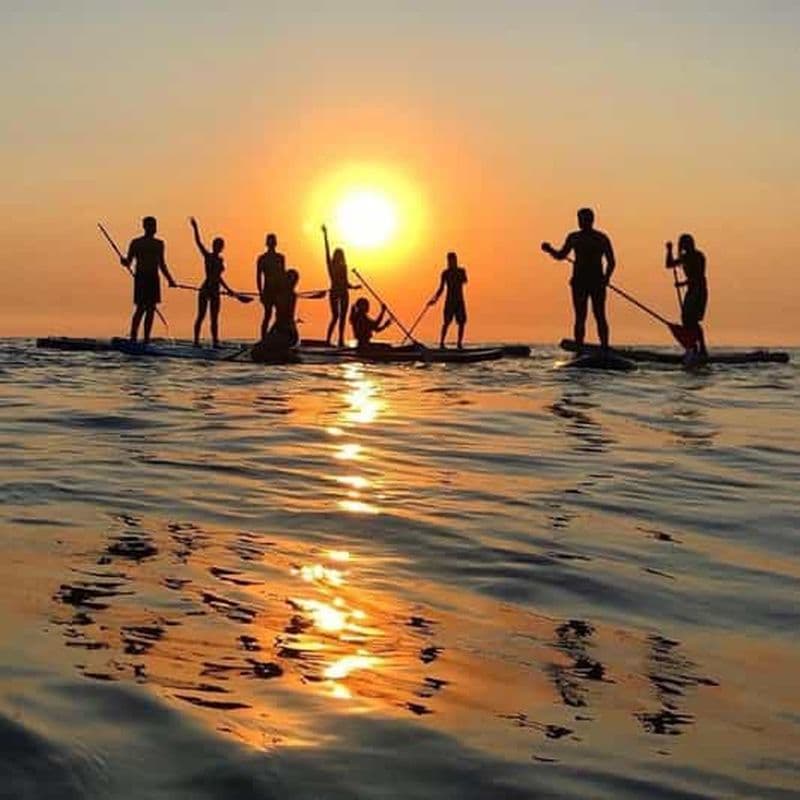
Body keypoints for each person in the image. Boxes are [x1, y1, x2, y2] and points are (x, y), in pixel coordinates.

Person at [542, 208, 615, 351]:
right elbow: (561, 255)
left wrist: (606, 278)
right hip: (579, 283)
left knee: (599, 314)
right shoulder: (574, 237)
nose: (581, 222)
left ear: (591, 220)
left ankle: (605, 347)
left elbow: (611, 262)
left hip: (596, 282)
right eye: (580, 219)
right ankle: (580, 346)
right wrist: (550, 250)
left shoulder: (600, 238)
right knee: (581, 316)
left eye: (584, 219)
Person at [121, 216, 177, 344]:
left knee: (151, 309)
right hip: (141, 277)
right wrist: (124, 262)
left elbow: (162, 264)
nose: (154, 228)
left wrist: (170, 280)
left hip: (153, 278)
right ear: (145, 226)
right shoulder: (136, 242)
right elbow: (128, 262)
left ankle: (146, 339)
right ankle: (133, 337)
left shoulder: (159, 244)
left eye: (155, 225)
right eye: (151, 225)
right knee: (141, 308)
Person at [189, 217, 235, 348]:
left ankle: (215, 342)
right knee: (201, 315)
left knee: (214, 318)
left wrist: (229, 290)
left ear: (221, 248)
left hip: (215, 290)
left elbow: (219, 277)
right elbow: (198, 242)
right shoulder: (208, 256)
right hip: (205, 289)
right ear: (213, 246)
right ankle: (196, 342)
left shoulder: (220, 260)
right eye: (216, 245)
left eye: (220, 246)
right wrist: (195, 228)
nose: (218, 247)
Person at [665, 234, 708, 359]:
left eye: (686, 244)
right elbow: (669, 265)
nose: (684, 247)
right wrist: (669, 250)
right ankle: (693, 347)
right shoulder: (684, 257)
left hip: (699, 290)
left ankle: (702, 348)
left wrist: (682, 284)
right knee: (685, 319)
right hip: (691, 290)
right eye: (683, 244)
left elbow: (699, 277)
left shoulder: (699, 256)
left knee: (692, 320)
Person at [322, 225, 360, 347]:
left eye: (340, 255)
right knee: (335, 316)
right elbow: (326, 251)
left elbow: (346, 282)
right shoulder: (331, 266)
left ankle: (340, 340)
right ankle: (328, 340)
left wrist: (353, 287)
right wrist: (325, 235)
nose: (339, 257)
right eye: (338, 255)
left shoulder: (344, 267)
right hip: (334, 292)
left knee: (342, 317)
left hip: (344, 292)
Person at [428, 252, 468, 349]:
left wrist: (458, 276)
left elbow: (465, 281)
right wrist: (434, 300)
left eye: (453, 260)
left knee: (462, 322)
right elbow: (441, 288)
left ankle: (459, 343)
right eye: (449, 260)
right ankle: (441, 343)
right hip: (449, 301)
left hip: (459, 301)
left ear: (456, 260)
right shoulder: (445, 273)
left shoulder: (461, 271)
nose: (450, 262)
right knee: (446, 322)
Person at [256, 233, 286, 341]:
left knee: (280, 316)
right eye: (270, 241)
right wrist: (260, 292)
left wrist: (285, 291)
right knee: (267, 315)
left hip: (278, 291)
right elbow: (258, 277)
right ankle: (264, 339)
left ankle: (277, 338)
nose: (272, 243)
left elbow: (283, 275)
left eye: (273, 241)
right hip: (267, 291)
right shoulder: (262, 258)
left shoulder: (280, 258)